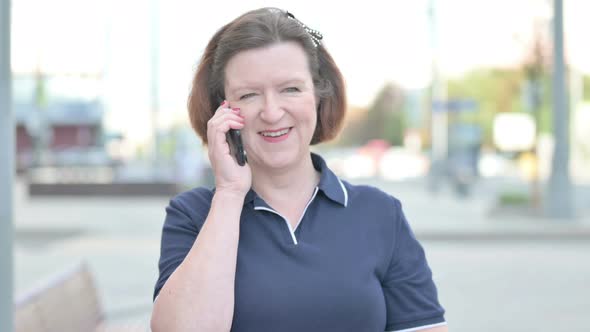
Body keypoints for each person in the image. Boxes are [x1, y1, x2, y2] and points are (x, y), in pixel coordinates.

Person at [151, 7, 447, 332]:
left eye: (290, 89)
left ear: (319, 96)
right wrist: (230, 193)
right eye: (248, 95)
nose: (272, 112)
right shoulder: (194, 215)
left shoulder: (380, 213)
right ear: (223, 111)